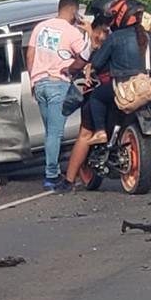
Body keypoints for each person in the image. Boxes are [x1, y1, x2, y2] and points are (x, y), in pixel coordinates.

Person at [84, 0, 151, 147]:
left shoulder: (115, 38)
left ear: (121, 16)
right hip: (148, 87)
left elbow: (98, 62)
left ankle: (100, 132)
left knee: (96, 97)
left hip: (121, 90)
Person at [25, 0, 85, 189]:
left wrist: (33, 80)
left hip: (40, 83)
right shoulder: (72, 32)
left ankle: (53, 169)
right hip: (58, 83)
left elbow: (30, 53)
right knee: (55, 133)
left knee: (49, 131)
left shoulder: (40, 27)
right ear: (74, 11)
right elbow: (85, 54)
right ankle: (51, 174)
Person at [53, 15, 111, 193]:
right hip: (128, 90)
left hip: (100, 91)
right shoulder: (128, 38)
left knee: (85, 135)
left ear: (99, 31)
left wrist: (68, 70)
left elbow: (79, 64)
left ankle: (69, 181)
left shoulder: (97, 46)